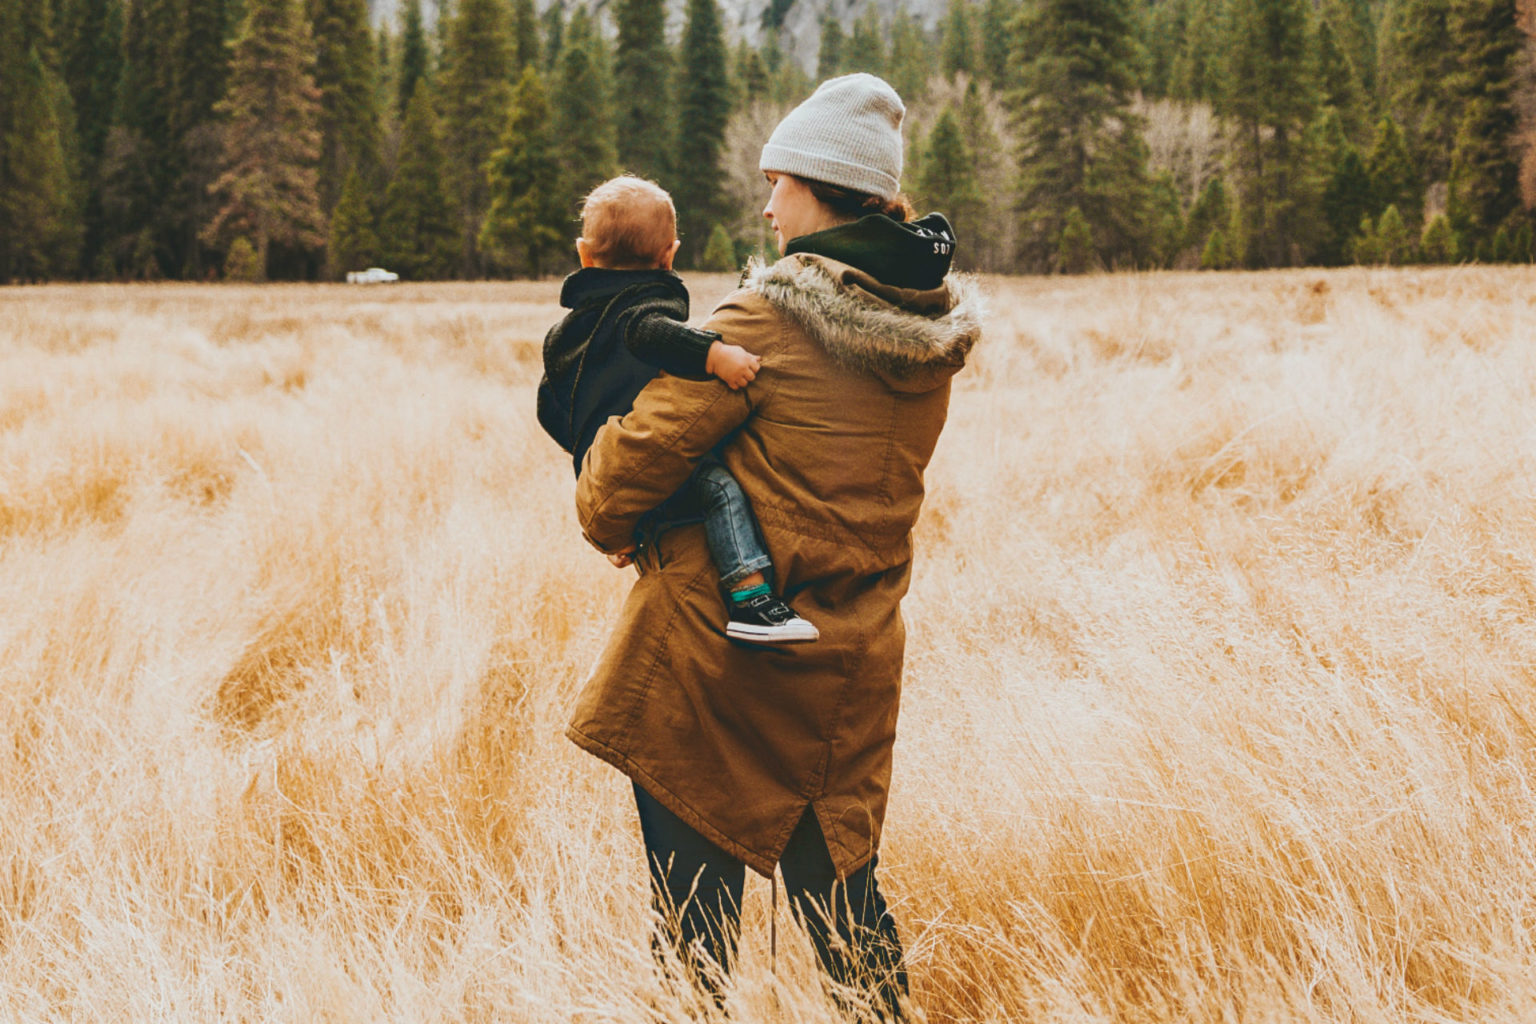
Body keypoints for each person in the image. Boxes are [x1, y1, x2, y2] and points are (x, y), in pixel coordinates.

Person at [567, 74, 982, 1020]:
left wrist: (610, 504)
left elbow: (621, 476)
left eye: (779, 181)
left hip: (717, 666)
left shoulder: (764, 321)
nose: (765, 203)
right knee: (846, 918)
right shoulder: (924, 330)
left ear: (824, 189)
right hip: (850, 665)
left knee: (694, 943)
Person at [538, 175, 819, 644]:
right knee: (719, 487)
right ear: (669, 254)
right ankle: (750, 599)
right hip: (644, 461)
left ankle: (631, 529)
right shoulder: (641, 304)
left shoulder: (569, 332)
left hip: (601, 465)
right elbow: (648, 332)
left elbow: (550, 406)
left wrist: (588, 457)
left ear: (584, 255)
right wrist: (715, 356)